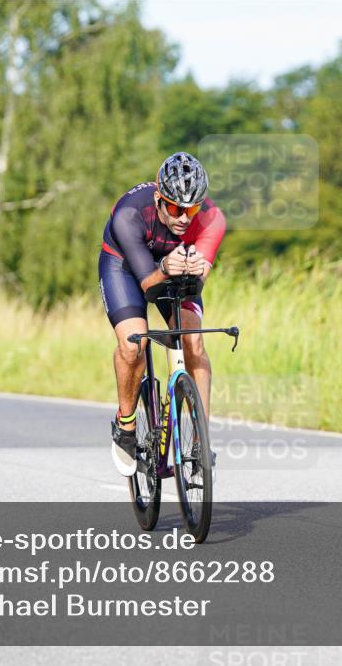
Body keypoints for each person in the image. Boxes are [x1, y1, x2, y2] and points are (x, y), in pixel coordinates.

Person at [99, 152, 226, 475]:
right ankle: (126, 425)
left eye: (192, 209)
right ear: (159, 199)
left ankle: (201, 440)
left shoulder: (213, 219)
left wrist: (196, 270)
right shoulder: (128, 215)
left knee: (193, 341)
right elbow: (147, 283)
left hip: (173, 267)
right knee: (132, 344)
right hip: (126, 266)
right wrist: (166, 267)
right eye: (174, 208)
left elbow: (198, 281)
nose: (184, 218)